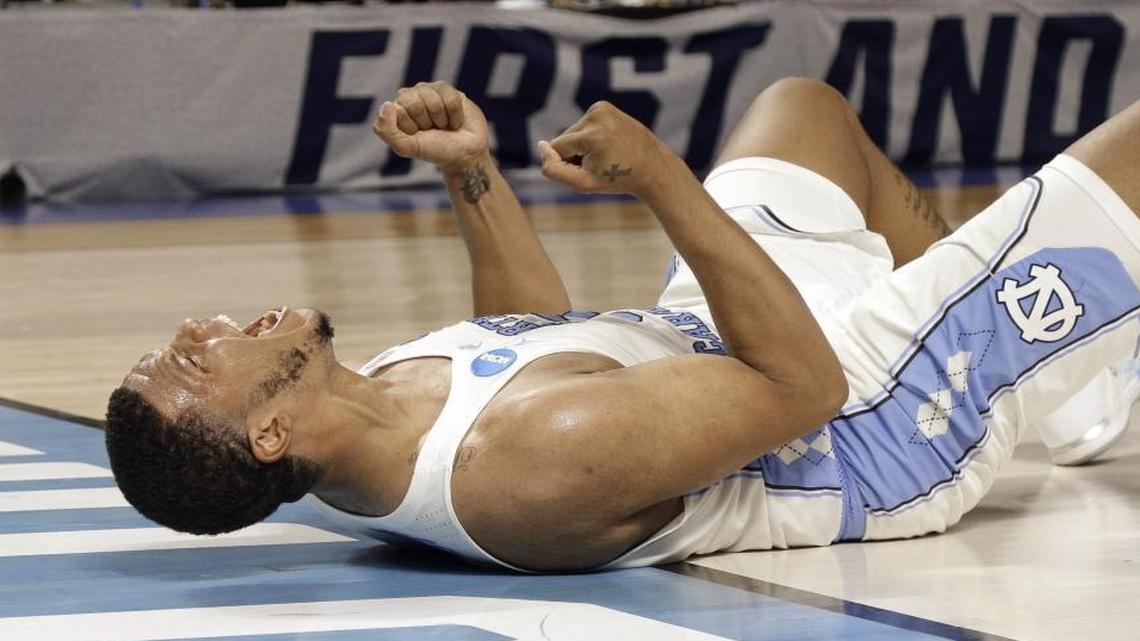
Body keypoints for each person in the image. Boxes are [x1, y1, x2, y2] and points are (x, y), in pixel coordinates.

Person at [105, 78, 1140, 572]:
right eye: (194, 360)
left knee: (802, 109)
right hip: (872, 416)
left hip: (725, 335)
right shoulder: (528, 470)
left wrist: (474, 171)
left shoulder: (372, 413)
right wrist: (659, 177)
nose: (203, 324)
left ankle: (1066, 381)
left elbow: (532, 337)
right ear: (269, 434)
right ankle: (1030, 357)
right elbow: (804, 390)